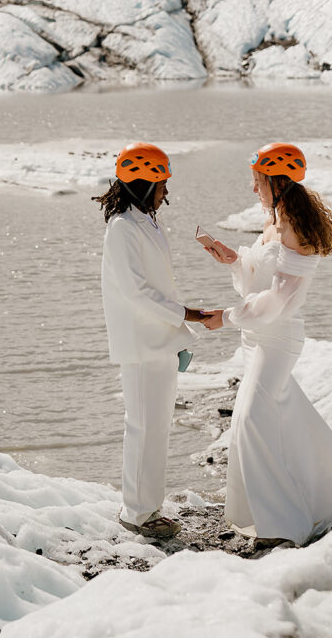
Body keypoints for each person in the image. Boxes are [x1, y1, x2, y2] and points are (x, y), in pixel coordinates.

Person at [202, 142, 332, 547]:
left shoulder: (296, 228)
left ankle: (280, 528)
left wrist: (225, 317)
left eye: (257, 182)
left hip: (277, 339)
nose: (252, 190)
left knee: (250, 423)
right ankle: (326, 496)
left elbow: (278, 301)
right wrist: (235, 260)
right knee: (279, 419)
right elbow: (261, 273)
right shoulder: (274, 221)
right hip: (255, 338)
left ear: (275, 182)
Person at [95, 142, 214, 540]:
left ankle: (148, 508)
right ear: (144, 184)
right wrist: (189, 315)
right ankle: (137, 513)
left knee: (156, 427)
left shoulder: (146, 220)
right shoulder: (123, 228)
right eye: (161, 184)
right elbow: (137, 293)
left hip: (159, 342)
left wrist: (179, 331)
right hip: (142, 346)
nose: (166, 192)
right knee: (143, 427)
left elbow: (158, 287)